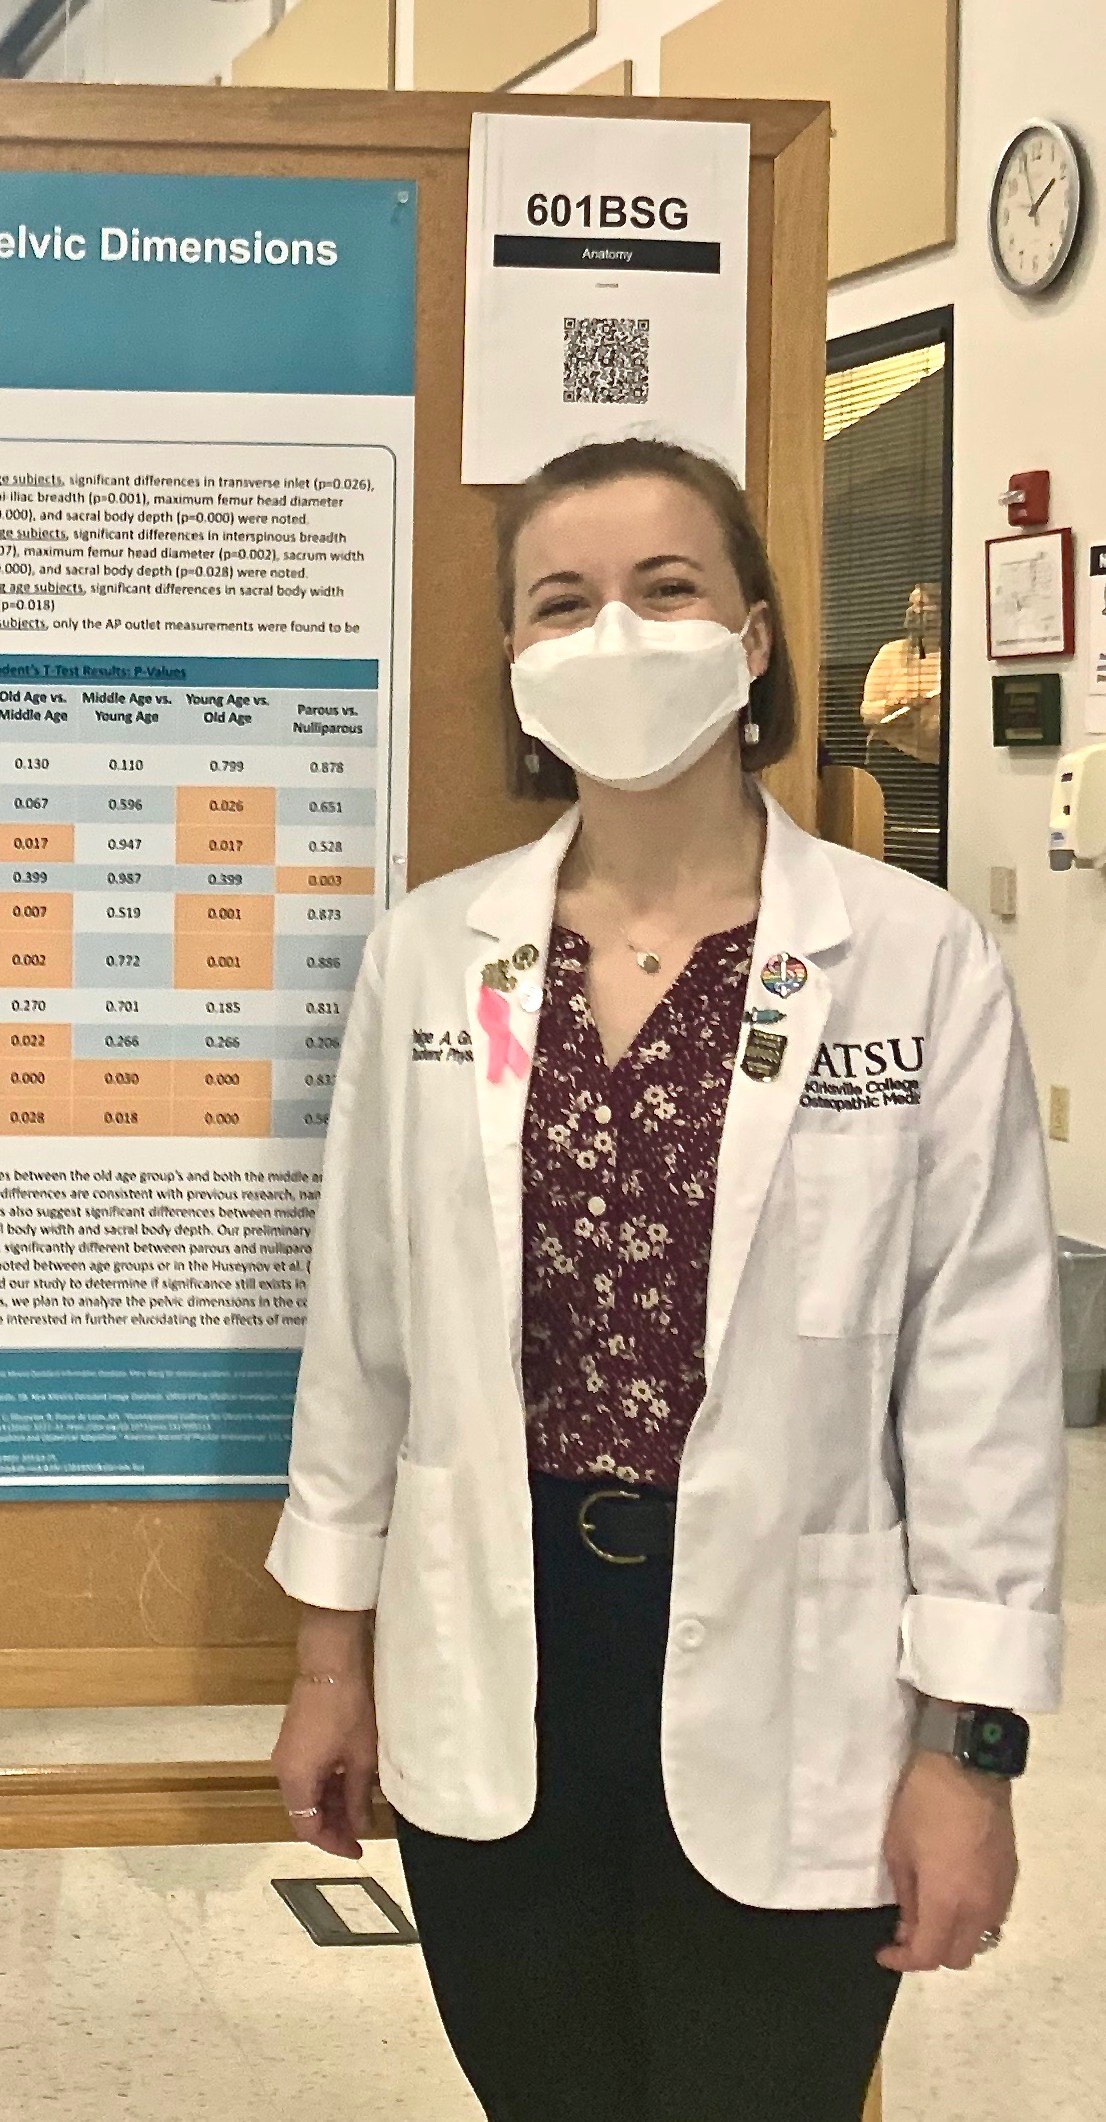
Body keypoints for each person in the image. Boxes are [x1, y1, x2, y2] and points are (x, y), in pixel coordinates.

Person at [266, 439, 1065, 2121]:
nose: (615, 633)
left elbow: (981, 1381)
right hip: (503, 1638)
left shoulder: (911, 957)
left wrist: (969, 1746)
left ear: (754, 636)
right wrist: (331, 1663)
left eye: (668, 587)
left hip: (802, 1662)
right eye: (563, 602)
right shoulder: (436, 954)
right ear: (514, 657)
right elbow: (363, 1336)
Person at [855, 582, 944, 765]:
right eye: (911, 604)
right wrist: (893, 706)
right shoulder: (891, 652)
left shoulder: (956, 659)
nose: (912, 611)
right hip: (893, 755)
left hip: (938, 759)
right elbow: (867, 711)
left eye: (920, 605)